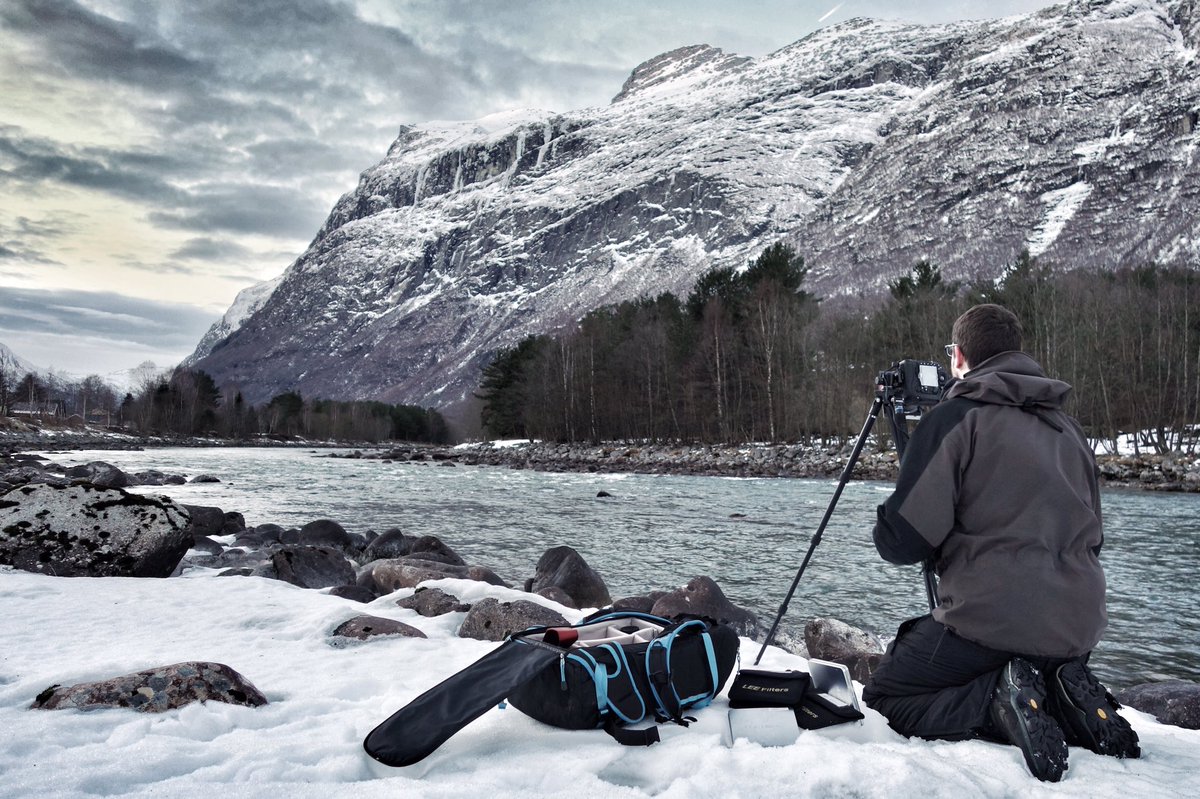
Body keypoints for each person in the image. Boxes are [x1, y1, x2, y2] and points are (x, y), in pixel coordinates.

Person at [861, 303, 1140, 783]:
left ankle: (997, 704)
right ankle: (1064, 698)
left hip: (990, 623)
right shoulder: (1069, 430)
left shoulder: (955, 418)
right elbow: (1095, 537)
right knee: (1023, 655)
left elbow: (902, 542)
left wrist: (895, 505)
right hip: (1078, 624)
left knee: (888, 695)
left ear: (960, 356)